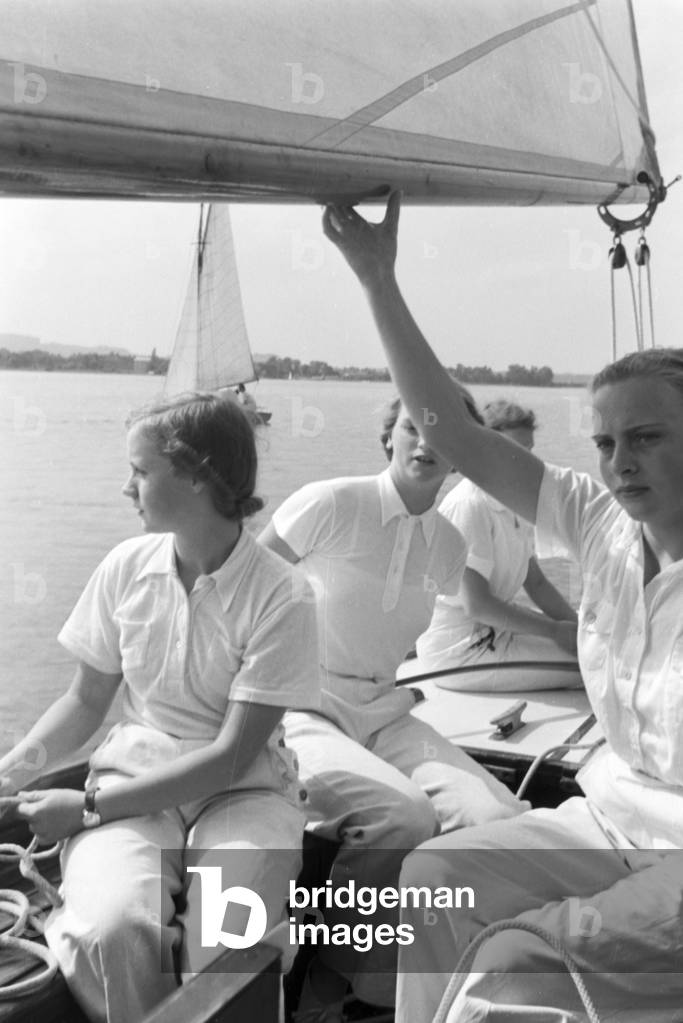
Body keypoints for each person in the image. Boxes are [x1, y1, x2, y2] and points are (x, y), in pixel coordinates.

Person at [322, 191, 683, 1023]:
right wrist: (377, 279)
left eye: (648, 436)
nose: (618, 461)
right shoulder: (597, 523)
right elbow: (451, 434)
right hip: (613, 819)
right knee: (434, 876)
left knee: (514, 961)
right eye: (604, 441)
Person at [0, 393, 319, 1023]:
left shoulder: (283, 595)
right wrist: (8, 774)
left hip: (243, 792)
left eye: (141, 472)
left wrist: (87, 809)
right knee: (107, 932)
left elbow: (230, 759)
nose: (127, 487)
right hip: (135, 774)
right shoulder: (126, 567)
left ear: (199, 475)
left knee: (226, 949)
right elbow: (86, 698)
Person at [258, 395, 526, 1017]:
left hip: (383, 704)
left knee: (500, 817)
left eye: (444, 434)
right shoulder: (329, 502)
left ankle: (441, 972)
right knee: (401, 817)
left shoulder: (449, 545)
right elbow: (245, 591)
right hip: (299, 702)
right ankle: (334, 979)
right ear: (389, 437)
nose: (426, 443)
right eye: (413, 427)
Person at [414, 398, 581, 690]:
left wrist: (581, 630)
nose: (525, 462)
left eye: (528, 451)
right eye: (513, 451)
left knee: (599, 650)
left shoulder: (511, 501)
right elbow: (477, 605)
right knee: (596, 667)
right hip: (460, 651)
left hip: (497, 633)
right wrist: (555, 632)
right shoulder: (470, 505)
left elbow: (537, 584)